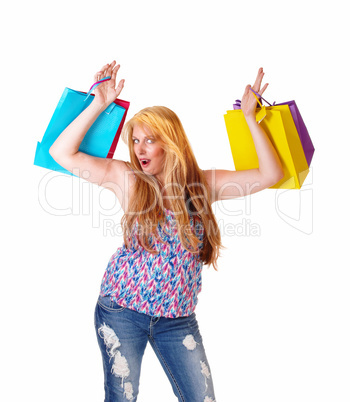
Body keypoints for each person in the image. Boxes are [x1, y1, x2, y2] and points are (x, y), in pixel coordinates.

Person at [49, 61, 283, 402]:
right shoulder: (127, 178)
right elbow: (60, 152)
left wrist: (250, 118)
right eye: (136, 139)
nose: (140, 148)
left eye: (150, 140)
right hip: (122, 311)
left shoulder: (201, 184)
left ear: (170, 143)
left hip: (177, 319)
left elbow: (269, 175)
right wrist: (98, 103)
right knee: (122, 396)